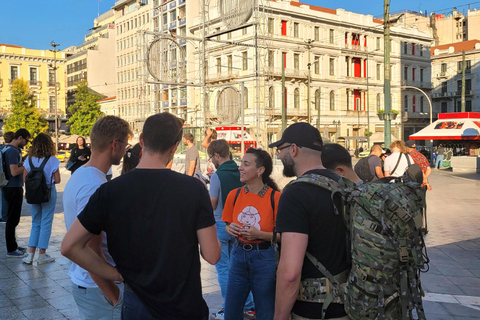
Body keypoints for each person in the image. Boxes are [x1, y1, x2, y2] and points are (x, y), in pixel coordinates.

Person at [61, 112, 220, 320]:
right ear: (175, 146)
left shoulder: (109, 191)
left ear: (142, 141)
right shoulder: (194, 189)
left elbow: (69, 247)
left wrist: (116, 274)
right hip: (183, 305)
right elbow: (212, 255)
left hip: (137, 305)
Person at [270, 123, 350, 320]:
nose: (279, 156)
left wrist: (280, 316)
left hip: (313, 309)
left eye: (280, 150)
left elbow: (290, 272)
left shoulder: (295, 193)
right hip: (350, 304)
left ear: (294, 149)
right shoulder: (345, 185)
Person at [63, 116, 132, 319]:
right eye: (125, 145)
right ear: (115, 144)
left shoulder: (81, 174)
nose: (125, 151)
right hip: (98, 288)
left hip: (90, 285)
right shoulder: (94, 186)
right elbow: (90, 248)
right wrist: (113, 295)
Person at [222, 148, 280, 320]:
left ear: (260, 170)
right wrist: (230, 229)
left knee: (265, 312)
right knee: (231, 311)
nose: (240, 168)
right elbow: (227, 225)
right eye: (241, 163)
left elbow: (283, 236)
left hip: (265, 258)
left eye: (246, 164)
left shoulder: (275, 198)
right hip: (238, 255)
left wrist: (259, 234)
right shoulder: (234, 195)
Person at [207, 139, 255, 320]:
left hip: (221, 225)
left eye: (212, 157)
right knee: (241, 268)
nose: (211, 160)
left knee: (224, 269)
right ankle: (250, 306)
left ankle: (229, 308)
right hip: (241, 225)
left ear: (217, 155)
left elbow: (212, 203)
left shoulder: (217, 175)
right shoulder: (241, 171)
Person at [22, 133, 61, 265]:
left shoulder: (28, 159)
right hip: (48, 194)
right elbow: (57, 180)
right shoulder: (53, 160)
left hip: (33, 194)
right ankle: (42, 255)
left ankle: (29, 254)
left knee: (35, 223)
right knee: (46, 223)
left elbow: (25, 178)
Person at [4, 129, 31, 257]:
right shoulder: (12, 152)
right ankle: (11, 249)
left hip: (10, 187)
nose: (26, 143)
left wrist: (25, 157)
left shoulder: (8, 149)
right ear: (20, 138)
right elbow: (14, 171)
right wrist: (28, 167)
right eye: (26, 140)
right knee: (12, 219)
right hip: (13, 187)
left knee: (12, 218)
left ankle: (13, 245)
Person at [0, 131, 15, 224]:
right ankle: (5, 216)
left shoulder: (2, 149)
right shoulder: (13, 150)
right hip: (8, 178)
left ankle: (3, 215)